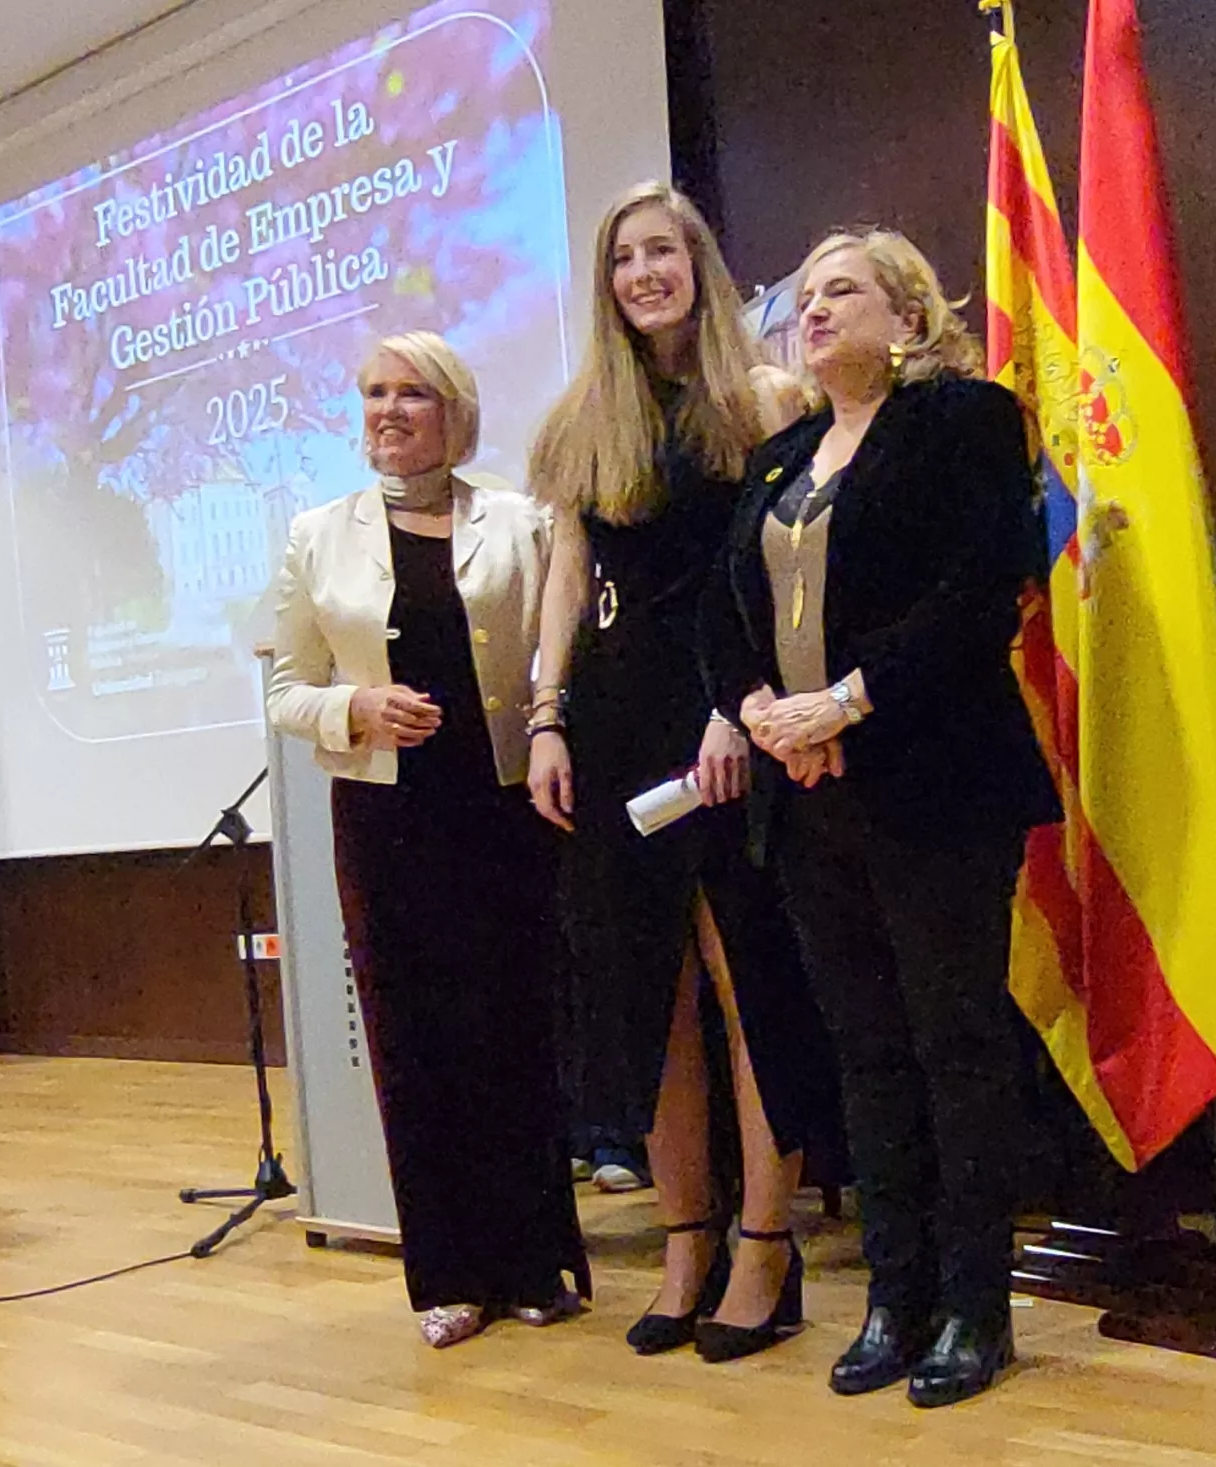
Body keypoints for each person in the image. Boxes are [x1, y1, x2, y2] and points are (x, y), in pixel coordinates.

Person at [712, 227, 1058, 1408]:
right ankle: (893, 1298)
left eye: (840, 291)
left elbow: (980, 588)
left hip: (934, 781)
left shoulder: (963, 418)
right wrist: (763, 713)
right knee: (866, 1054)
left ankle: (975, 1307)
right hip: (805, 801)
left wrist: (845, 705)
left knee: (953, 1046)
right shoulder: (783, 455)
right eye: (803, 298)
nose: (811, 312)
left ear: (907, 316)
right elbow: (724, 613)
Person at [525, 181, 833, 1364]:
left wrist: (733, 710)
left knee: (743, 980)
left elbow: (768, 576)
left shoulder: (764, 399)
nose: (643, 273)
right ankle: (685, 1239)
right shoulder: (579, 423)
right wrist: (545, 718)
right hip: (610, 724)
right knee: (646, 994)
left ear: (698, 263)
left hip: (728, 716)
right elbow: (565, 576)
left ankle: (767, 1244)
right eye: (622, 259)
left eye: (661, 251)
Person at [265, 332, 588, 1349]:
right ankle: (445, 1272)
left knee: (514, 1030)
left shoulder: (520, 520)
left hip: (501, 805)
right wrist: (353, 705)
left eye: (412, 394)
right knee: (415, 1042)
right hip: (385, 816)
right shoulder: (317, 535)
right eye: (372, 394)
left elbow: (559, 644)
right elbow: (286, 691)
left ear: (455, 412)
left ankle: (536, 1261)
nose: (389, 411)